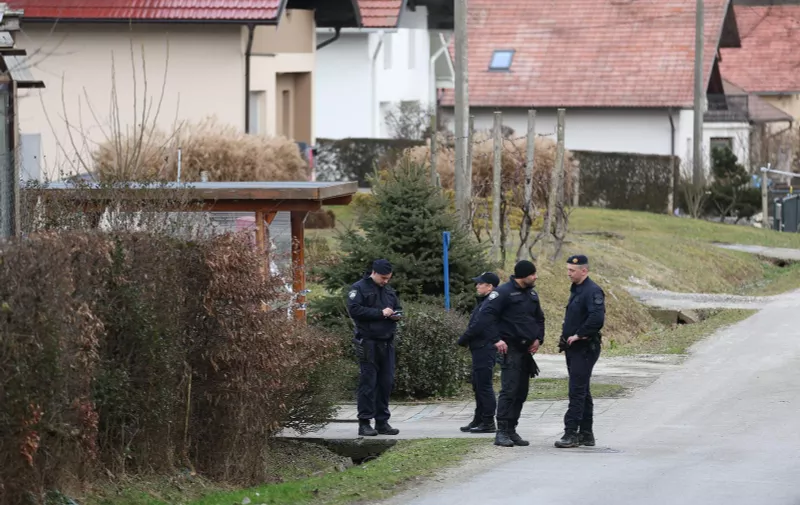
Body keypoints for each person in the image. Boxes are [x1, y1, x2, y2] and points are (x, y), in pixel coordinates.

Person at [468, 260, 545, 447]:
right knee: (509, 389)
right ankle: (501, 431)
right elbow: (486, 317)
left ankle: (512, 429)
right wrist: (496, 339)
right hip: (509, 348)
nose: (535, 277)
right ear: (523, 275)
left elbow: (539, 319)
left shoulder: (532, 294)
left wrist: (538, 339)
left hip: (526, 351)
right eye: (532, 274)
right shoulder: (502, 293)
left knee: (521, 392)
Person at [347, 259, 403, 437]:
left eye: (388, 278)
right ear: (375, 272)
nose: (386, 281)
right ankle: (364, 422)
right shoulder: (360, 288)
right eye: (383, 278)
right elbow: (354, 310)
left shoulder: (388, 290)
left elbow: (398, 307)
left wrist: (396, 315)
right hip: (368, 342)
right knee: (368, 384)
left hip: (387, 342)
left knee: (386, 383)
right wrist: (380, 313)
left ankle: (382, 421)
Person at [555, 254, 606, 449]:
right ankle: (586, 433)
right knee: (582, 390)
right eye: (568, 269)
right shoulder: (577, 289)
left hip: (584, 348)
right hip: (573, 348)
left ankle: (571, 433)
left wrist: (579, 335)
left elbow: (596, 319)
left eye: (572, 270)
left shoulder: (592, 291)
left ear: (584, 270)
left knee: (576, 390)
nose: (568, 273)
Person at [457, 271, 502, 434]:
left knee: (484, 385)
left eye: (480, 283)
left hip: (485, 347)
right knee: (477, 384)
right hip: (479, 347)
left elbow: (479, 325)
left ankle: (489, 421)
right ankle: (479, 418)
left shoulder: (490, 303)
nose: (477, 286)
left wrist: (463, 339)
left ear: (489, 286)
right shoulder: (484, 302)